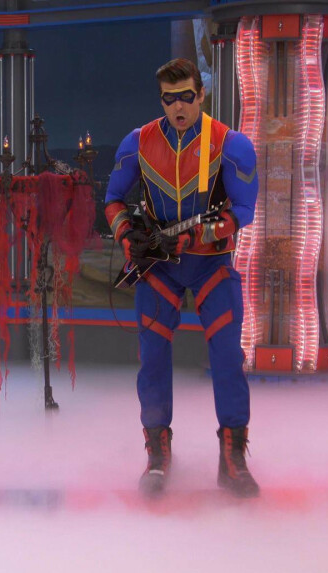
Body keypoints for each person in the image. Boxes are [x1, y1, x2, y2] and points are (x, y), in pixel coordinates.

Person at [104, 58, 259, 498]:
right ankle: (157, 457)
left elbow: (244, 210)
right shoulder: (138, 142)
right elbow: (113, 199)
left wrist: (200, 234)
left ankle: (233, 460)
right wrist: (127, 235)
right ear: (161, 100)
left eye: (186, 97)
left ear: (201, 94)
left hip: (212, 263)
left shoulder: (230, 144)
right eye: (169, 99)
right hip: (160, 268)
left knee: (227, 357)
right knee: (153, 358)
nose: (178, 107)